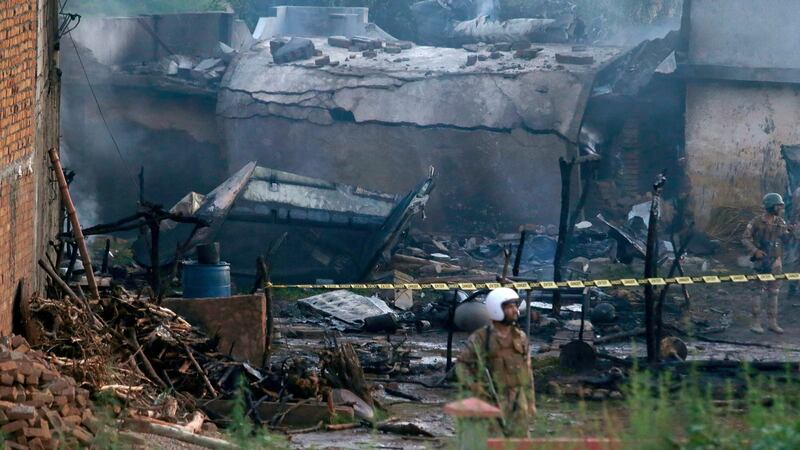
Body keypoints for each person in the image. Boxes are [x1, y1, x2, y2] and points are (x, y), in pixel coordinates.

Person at [456, 288, 536, 437]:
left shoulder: (520, 337)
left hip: (518, 402)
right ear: (497, 309)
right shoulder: (481, 338)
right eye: (510, 307)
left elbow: (527, 371)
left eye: (515, 306)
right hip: (491, 400)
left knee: (521, 442)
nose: (515, 311)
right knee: (493, 441)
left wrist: (530, 402)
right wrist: (473, 384)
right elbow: (461, 365)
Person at [742, 193, 792, 334]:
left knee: (774, 293)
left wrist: (791, 231)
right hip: (761, 261)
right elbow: (745, 238)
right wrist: (755, 251)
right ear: (770, 206)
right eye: (778, 206)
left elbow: (785, 239)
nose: (780, 208)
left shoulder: (780, 222)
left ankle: (772, 322)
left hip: (776, 262)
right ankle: (755, 322)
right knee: (757, 292)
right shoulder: (756, 222)